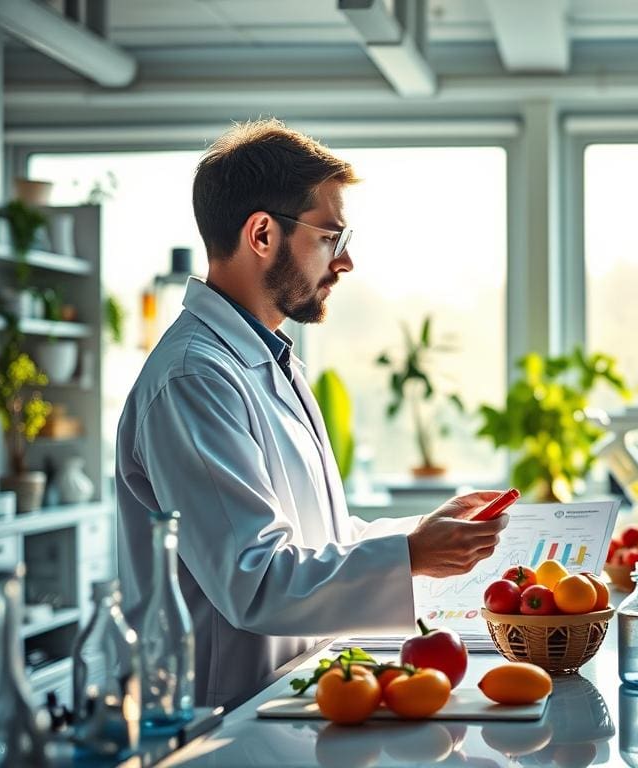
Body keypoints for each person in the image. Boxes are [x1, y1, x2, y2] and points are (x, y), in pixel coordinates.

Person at [115, 119, 509, 707]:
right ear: (262, 234)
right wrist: (411, 555)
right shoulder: (194, 379)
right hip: (222, 718)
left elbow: (315, 536)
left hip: (287, 698)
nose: (345, 263)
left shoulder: (269, 360)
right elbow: (254, 580)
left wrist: (418, 532)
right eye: (331, 238)